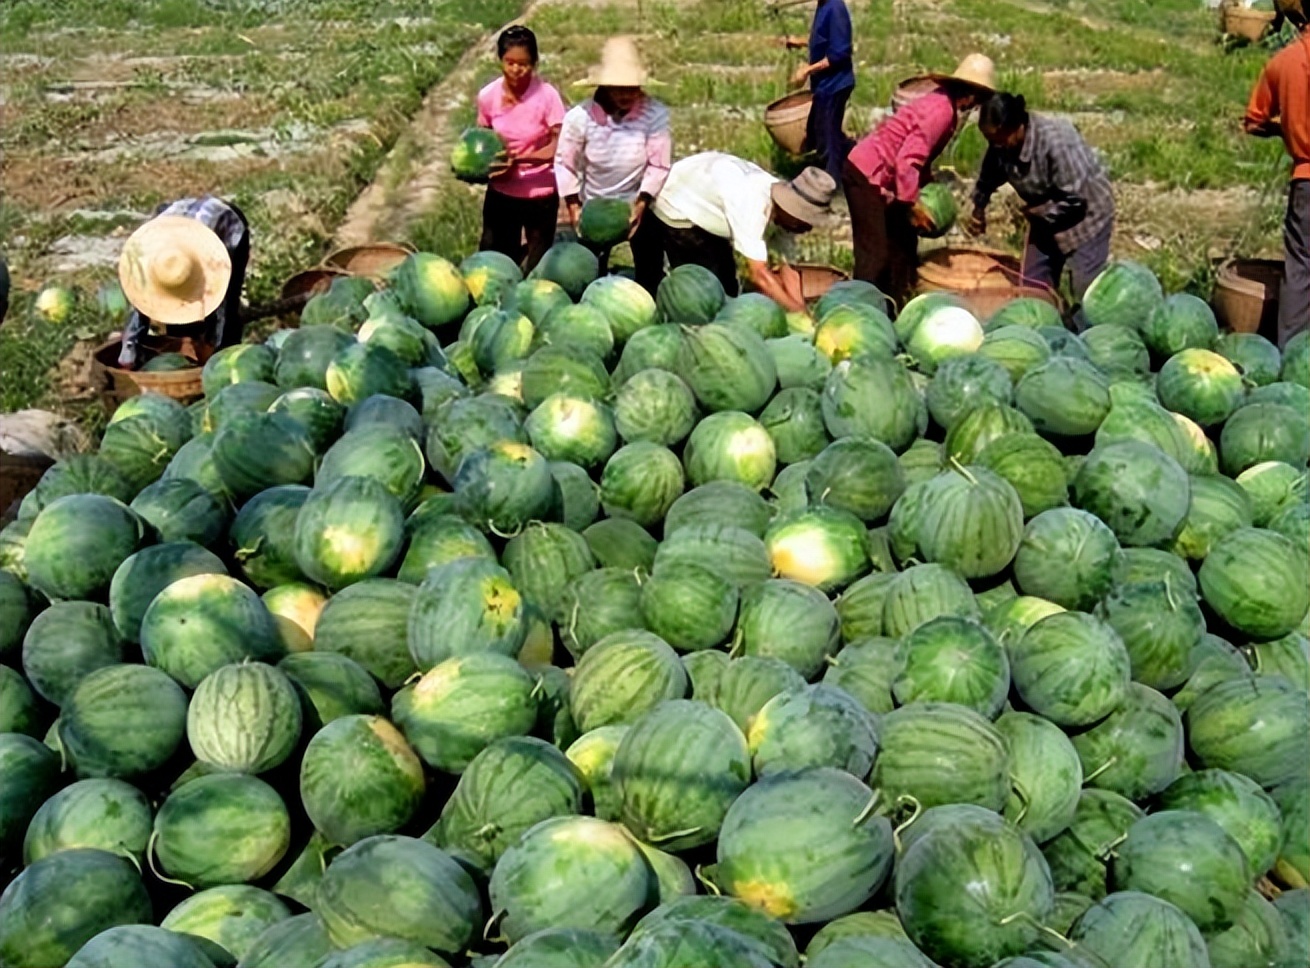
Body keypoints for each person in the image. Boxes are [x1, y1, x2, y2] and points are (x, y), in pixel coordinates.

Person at [842, 54, 995, 308]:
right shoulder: (941, 112)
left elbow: (918, 159)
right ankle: (859, 311)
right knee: (876, 254)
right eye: (978, 100)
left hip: (887, 177)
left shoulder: (943, 105)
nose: (976, 107)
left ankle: (898, 306)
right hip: (866, 174)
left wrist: (926, 184)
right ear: (970, 94)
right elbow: (906, 162)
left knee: (903, 244)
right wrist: (914, 205)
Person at [967, 92, 1115, 314]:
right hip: (1044, 215)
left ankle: (1087, 334)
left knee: (1086, 291)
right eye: (991, 141)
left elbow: (1076, 199)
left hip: (1085, 217)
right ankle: (1043, 331)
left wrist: (1041, 212)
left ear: (1017, 127)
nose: (995, 146)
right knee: (1032, 288)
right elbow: (989, 174)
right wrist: (979, 207)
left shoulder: (1057, 142)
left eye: (999, 139)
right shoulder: (1000, 145)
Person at [650, 152, 838, 312]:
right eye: (806, 221)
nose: (808, 229)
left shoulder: (786, 218)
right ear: (791, 211)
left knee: (727, 286)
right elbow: (758, 275)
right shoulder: (752, 204)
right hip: (678, 205)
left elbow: (788, 268)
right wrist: (797, 313)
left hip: (710, 205)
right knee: (704, 293)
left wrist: (801, 310)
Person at [555, 36, 671, 294]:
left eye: (632, 87)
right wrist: (575, 208)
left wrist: (640, 205)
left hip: (639, 200)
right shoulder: (580, 118)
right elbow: (565, 164)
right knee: (585, 276)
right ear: (604, 86)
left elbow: (659, 165)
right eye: (618, 87)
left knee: (650, 270)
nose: (625, 94)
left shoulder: (655, 114)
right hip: (595, 202)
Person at [116, 196, 249, 370]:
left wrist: (214, 352)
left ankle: (225, 352)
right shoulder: (147, 266)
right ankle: (188, 340)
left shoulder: (213, 266)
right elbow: (137, 312)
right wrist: (128, 356)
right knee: (176, 315)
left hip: (226, 223)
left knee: (228, 302)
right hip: (175, 222)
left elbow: (222, 308)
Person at [1244, 0, 1309, 347]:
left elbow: (1253, 122)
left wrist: (1286, 129)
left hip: (1306, 181)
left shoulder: (1282, 63)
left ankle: (1292, 360)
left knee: (1300, 271)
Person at [477, 25, 567, 273]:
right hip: (501, 192)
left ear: (535, 62)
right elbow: (481, 140)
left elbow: (560, 145)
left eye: (524, 64)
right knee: (495, 263)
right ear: (500, 60)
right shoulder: (488, 96)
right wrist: (476, 169)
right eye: (510, 62)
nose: (516, 70)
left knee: (538, 266)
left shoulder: (548, 96)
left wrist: (521, 159)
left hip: (540, 193)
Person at [785, 0, 855, 184]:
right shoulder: (823, 6)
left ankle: (833, 185)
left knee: (827, 141)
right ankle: (854, 160)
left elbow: (839, 53)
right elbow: (822, 38)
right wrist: (801, 42)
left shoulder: (835, 8)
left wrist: (806, 70)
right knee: (817, 133)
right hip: (824, 86)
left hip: (835, 85)